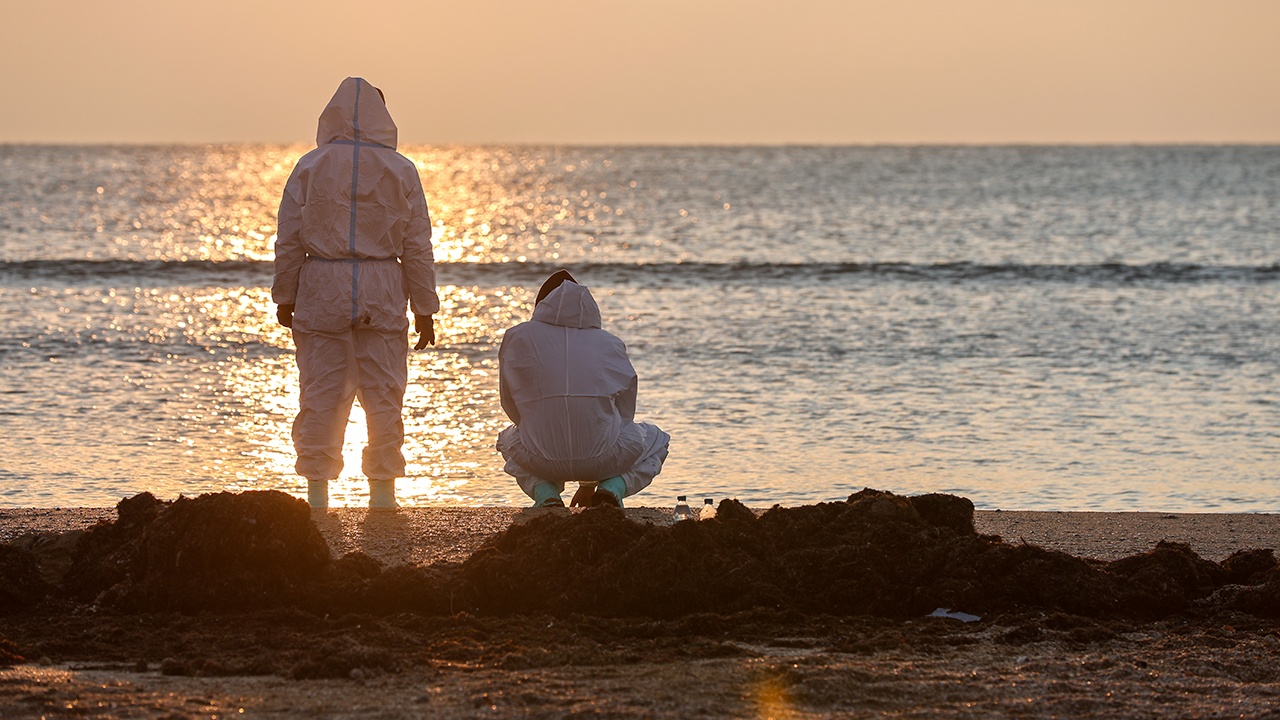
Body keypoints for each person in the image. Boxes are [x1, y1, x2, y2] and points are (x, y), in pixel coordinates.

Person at [272, 77, 439, 510]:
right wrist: (425, 307)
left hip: (322, 287)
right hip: (381, 287)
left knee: (321, 393)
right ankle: (383, 494)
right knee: (384, 392)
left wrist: (284, 295)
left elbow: (288, 239)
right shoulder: (401, 169)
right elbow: (417, 244)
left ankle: (317, 495)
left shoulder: (310, 165)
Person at [496, 270, 669, 508]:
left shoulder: (517, 336)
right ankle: (611, 489)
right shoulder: (610, 342)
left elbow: (510, 405)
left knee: (506, 439)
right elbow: (625, 413)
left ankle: (546, 495)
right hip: (604, 458)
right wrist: (589, 478)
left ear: (540, 305)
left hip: (540, 458)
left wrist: (539, 431)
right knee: (658, 440)